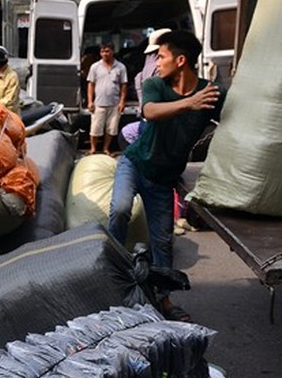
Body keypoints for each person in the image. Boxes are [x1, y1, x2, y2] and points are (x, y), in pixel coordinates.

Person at [108, 30, 225, 322]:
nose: (156, 62)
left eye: (161, 56)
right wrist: (189, 103)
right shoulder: (154, 85)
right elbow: (149, 112)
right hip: (134, 164)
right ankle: (109, 277)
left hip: (162, 181)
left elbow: (235, 120)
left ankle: (164, 301)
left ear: (181, 60)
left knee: (162, 243)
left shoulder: (210, 93)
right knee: (120, 209)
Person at [86, 43, 128, 155]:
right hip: (98, 103)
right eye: (102, 52)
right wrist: (90, 101)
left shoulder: (120, 67)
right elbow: (91, 84)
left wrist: (122, 101)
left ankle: (105, 148)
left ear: (112, 52)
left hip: (114, 104)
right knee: (95, 129)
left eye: (107, 51)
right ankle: (93, 149)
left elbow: (124, 85)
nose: (105, 54)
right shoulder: (95, 67)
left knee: (111, 129)